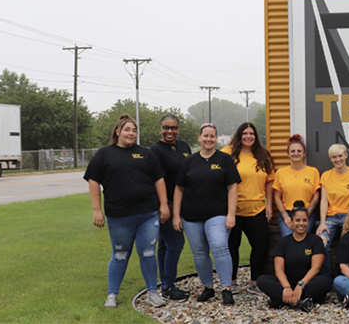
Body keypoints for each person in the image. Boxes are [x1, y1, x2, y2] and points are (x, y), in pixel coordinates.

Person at [85, 114, 170, 308]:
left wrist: (164, 204)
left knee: (148, 253)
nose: (131, 133)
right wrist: (96, 210)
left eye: (134, 130)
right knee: (120, 254)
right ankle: (112, 295)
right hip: (120, 216)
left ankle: (152, 293)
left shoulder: (146, 153)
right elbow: (93, 181)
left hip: (148, 214)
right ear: (118, 132)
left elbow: (159, 179)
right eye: (127, 130)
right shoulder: (105, 154)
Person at [173, 123, 241, 305]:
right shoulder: (189, 161)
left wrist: (231, 214)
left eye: (212, 136)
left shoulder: (224, 159)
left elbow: (233, 187)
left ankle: (226, 288)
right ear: (199, 137)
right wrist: (176, 215)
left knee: (219, 245)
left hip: (217, 213)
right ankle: (208, 287)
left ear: (216, 138)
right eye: (206, 136)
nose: (209, 139)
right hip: (191, 216)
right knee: (200, 253)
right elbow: (179, 189)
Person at [222, 122, 275, 294]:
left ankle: (255, 282)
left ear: (256, 136)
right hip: (232, 211)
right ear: (239, 135)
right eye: (245, 133)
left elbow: (269, 182)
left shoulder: (263, 154)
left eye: (251, 133)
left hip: (257, 209)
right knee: (231, 246)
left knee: (261, 245)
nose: (248, 136)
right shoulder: (227, 153)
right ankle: (232, 281)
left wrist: (269, 205)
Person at [256, 200, 332, 312]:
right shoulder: (283, 242)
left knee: (325, 282)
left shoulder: (315, 241)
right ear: (291, 221)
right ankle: (301, 302)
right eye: (297, 220)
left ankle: (281, 300)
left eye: (304, 220)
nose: (301, 224)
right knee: (262, 280)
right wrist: (287, 287)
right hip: (287, 283)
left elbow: (315, 268)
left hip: (307, 283)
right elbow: (279, 269)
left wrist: (300, 285)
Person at [149, 114, 192, 301]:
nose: (170, 131)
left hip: (183, 202)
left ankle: (166, 283)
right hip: (166, 204)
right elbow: (155, 179)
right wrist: (163, 205)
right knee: (175, 243)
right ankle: (167, 286)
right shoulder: (155, 151)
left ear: (178, 129)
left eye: (173, 128)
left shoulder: (184, 146)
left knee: (165, 244)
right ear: (160, 129)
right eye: (166, 127)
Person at [316, 144, 349, 275]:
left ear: (346, 156)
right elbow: (324, 201)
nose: (337, 159)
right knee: (322, 244)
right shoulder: (326, 176)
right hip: (331, 217)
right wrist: (322, 223)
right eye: (334, 157)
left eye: (340, 156)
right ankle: (326, 279)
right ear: (331, 159)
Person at [273, 134, 321, 237]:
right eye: (293, 151)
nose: (296, 153)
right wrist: (285, 216)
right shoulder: (281, 172)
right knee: (288, 240)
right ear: (288, 154)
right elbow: (277, 197)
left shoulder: (313, 171)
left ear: (304, 153)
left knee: (302, 239)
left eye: (299, 151)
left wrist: (306, 214)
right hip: (288, 214)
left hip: (307, 213)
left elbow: (316, 196)